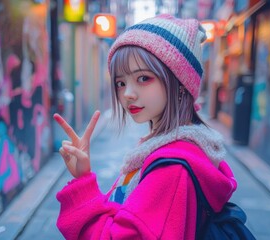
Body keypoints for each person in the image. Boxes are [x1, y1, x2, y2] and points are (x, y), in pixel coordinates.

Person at [53, 14, 237, 239]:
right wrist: (83, 175)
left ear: (180, 83)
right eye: (121, 83)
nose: (128, 94)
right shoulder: (168, 151)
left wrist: (83, 188)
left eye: (143, 78)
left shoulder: (171, 169)